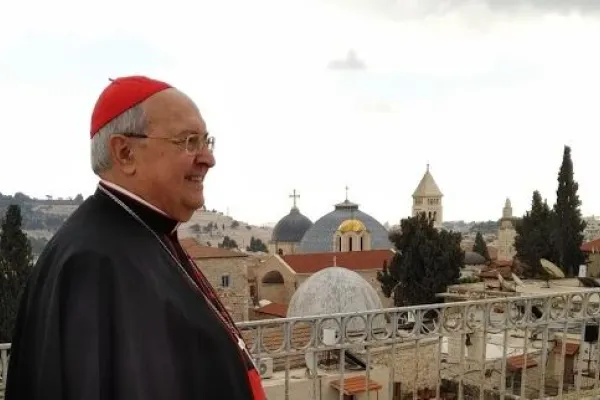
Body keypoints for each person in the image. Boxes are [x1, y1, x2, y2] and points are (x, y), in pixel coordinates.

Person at [5, 76, 266, 400]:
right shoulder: (92, 264)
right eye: (189, 141)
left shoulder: (152, 236)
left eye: (206, 141)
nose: (208, 159)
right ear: (125, 152)